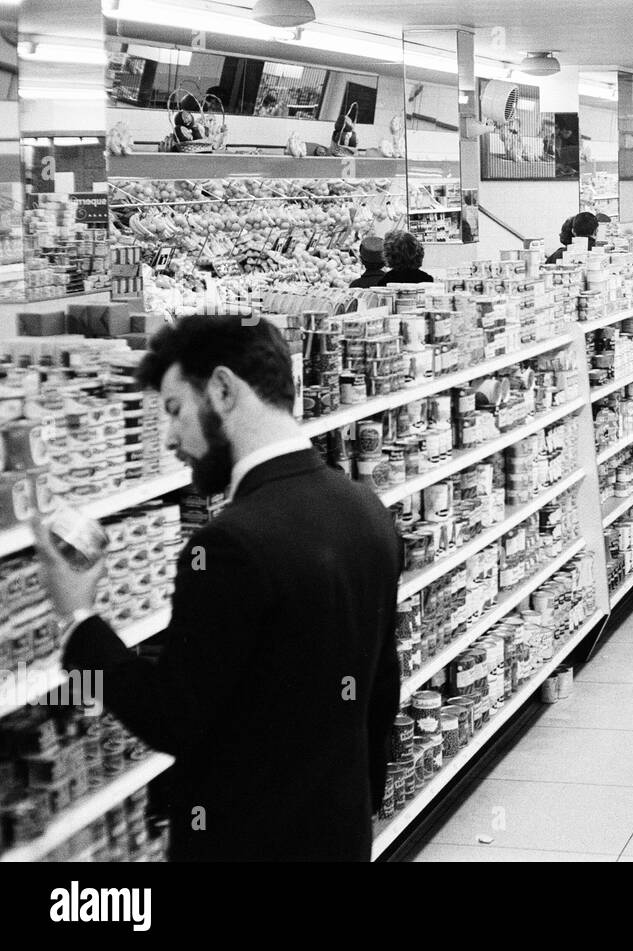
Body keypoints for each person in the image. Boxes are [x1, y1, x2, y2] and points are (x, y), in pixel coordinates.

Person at [35, 317, 401, 860]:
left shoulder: (229, 544)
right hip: (339, 835)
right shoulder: (365, 509)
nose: (169, 437)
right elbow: (379, 691)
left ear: (225, 391)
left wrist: (79, 622)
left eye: (175, 409)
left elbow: (172, 720)